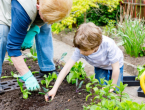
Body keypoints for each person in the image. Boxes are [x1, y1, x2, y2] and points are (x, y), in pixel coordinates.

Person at [0, 0, 72, 94]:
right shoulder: (22, 9)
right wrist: (27, 76)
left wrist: (34, 29)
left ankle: (47, 69)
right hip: (5, 5)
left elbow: (43, 18)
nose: (47, 21)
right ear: (38, 6)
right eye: (46, 18)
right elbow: (13, 48)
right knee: (2, 34)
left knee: (45, 26)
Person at [45, 22, 124, 101]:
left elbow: (115, 68)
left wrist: (112, 86)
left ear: (96, 47)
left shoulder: (108, 45)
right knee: (100, 88)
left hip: (116, 65)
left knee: (116, 89)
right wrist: (54, 89)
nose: (81, 52)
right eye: (80, 49)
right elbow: (66, 68)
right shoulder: (81, 48)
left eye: (85, 51)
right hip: (99, 66)